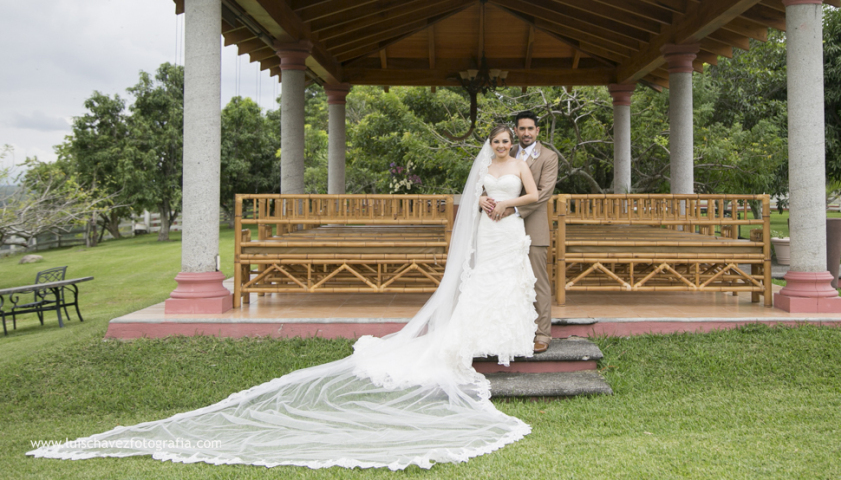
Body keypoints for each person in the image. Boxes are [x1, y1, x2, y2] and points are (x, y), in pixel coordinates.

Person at [27, 125, 542, 470]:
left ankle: (507, 339)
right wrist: (481, 204)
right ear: (489, 144)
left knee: (509, 285)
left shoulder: (520, 167)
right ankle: (472, 339)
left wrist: (507, 206)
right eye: (497, 141)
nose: (502, 147)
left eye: (506, 141)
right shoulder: (482, 168)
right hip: (486, 230)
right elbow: (470, 205)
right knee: (480, 288)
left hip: (509, 232)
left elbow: (534, 197)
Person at [480, 111, 558, 353]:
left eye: (530, 129)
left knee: (536, 281)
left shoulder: (548, 156)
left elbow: (543, 192)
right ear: (516, 131)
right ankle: (509, 330)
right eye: (521, 129)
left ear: (537, 130)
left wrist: (512, 209)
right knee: (507, 280)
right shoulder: (505, 152)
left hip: (531, 225)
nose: (526, 133)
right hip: (500, 229)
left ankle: (542, 334)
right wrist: (482, 200)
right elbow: (488, 185)